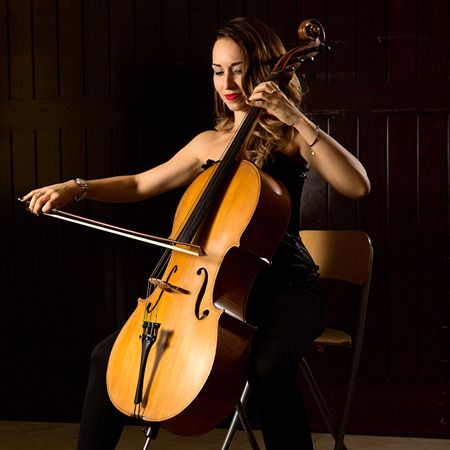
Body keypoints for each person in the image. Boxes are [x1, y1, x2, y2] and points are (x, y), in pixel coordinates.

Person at [23, 16, 370, 450]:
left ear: (263, 68)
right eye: (217, 69)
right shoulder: (208, 142)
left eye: (238, 68)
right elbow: (138, 184)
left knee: (267, 366)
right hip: (209, 290)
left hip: (287, 290)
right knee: (105, 356)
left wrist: (296, 117)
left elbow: (357, 185)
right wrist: (76, 188)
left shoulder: (290, 137)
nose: (227, 82)